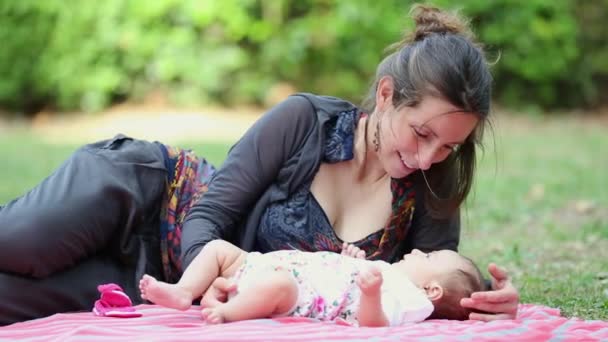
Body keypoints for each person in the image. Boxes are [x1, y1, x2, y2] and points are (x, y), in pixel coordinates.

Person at [0, 4, 519, 325]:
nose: (427, 157)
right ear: (386, 95)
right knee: (20, 241)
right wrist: (214, 280)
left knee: (10, 298)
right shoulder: (304, 121)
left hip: (149, 278)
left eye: (448, 147)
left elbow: (439, 285)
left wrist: (489, 302)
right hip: (142, 197)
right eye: (423, 133)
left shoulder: (431, 186)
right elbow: (207, 215)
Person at [139, 240, 484, 325]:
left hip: (293, 291)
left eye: (428, 258)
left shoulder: (411, 300)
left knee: (280, 286)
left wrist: (370, 292)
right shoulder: (388, 272)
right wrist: (355, 260)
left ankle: (227, 314)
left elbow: (374, 325)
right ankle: (184, 291)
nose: (418, 251)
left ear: (432, 290)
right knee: (218, 249)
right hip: (265, 266)